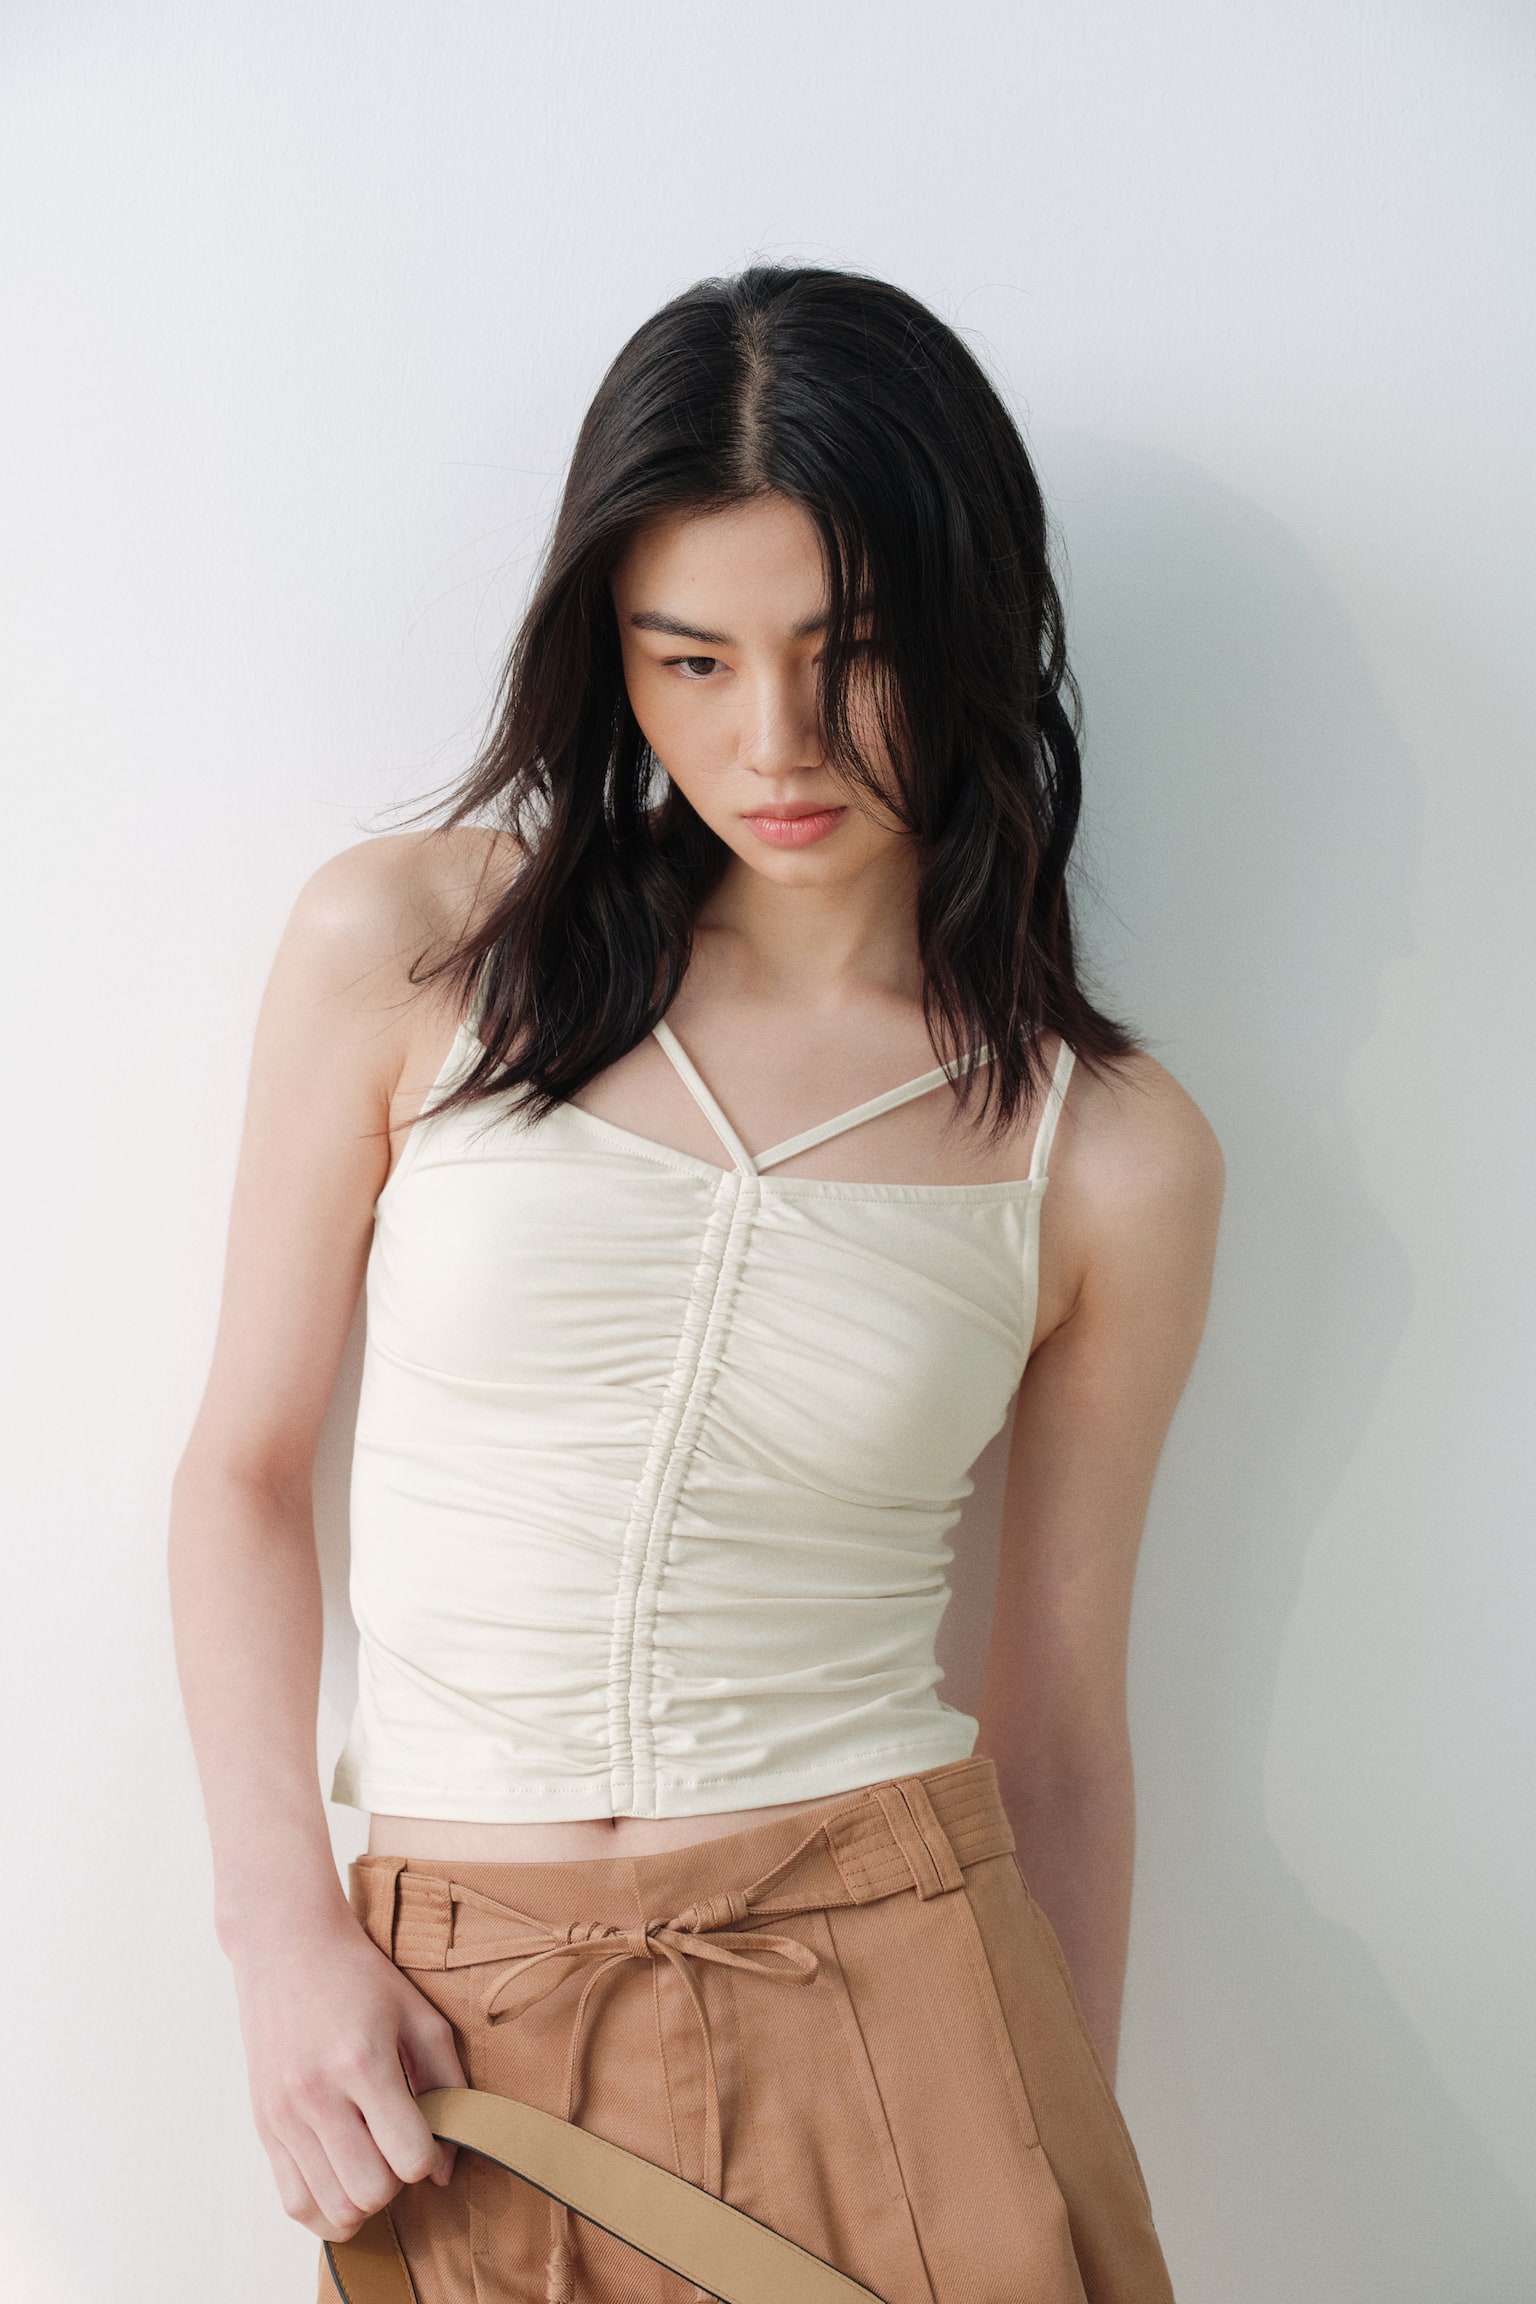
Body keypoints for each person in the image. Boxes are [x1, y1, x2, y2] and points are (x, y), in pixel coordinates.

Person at [169, 263, 1222, 2304]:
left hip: (909, 1998)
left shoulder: (1102, 1150)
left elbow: (1064, 1734)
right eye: (692, 659)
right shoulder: (414, 953)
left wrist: (1052, 2139)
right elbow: (241, 1472)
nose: (776, 739)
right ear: (612, 658)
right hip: (453, 2023)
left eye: (856, 652)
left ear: (982, 629)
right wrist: (277, 1931)